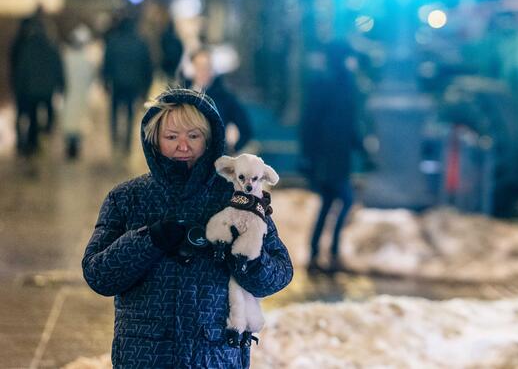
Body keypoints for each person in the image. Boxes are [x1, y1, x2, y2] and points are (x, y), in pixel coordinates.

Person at [82, 88, 293, 368]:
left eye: (193, 136)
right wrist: (149, 240)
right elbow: (99, 275)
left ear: (210, 140)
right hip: (145, 355)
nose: (183, 146)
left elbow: (280, 274)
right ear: (154, 139)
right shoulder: (128, 198)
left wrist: (244, 256)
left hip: (214, 355)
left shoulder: (236, 198)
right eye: (171, 137)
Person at [299, 41, 366, 273]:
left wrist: (362, 148)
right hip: (326, 157)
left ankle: (318, 254)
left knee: (328, 204)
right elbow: (310, 122)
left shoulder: (347, 83)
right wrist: (308, 156)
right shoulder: (324, 83)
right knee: (344, 200)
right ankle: (328, 253)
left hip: (339, 156)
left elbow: (350, 122)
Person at [10, 10, 64, 157]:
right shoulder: (51, 46)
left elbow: (22, 70)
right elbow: (57, 66)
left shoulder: (27, 46)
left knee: (32, 117)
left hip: (30, 90)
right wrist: (61, 84)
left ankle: (31, 144)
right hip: (46, 90)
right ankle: (43, 136)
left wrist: (18, 87)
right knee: (47, 113)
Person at [101, 14, 154, 154]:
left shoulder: (113, 41)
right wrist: (146, 89)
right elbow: (147, 67)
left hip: (117, 84)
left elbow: (106, 63)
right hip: (134, 85)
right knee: (130, 114)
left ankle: (115, 140)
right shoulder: (141, 43)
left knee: (114, 113)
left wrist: (105, 82)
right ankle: (127, 145)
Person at [187, 47, 253, 153]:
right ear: (192, 68)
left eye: (207, 67)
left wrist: (232, 145)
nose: (203, 71)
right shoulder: (182, 94)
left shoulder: (225, 98)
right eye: (199, 67)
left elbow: (246, 130)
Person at [60, 23, 102, 159]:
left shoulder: (66, 58)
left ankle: (70, 146)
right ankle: (75, 145)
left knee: (69, 119)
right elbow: (91, 76)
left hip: (69, 94)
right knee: (78, 120)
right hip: (81, 95)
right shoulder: (85, 60)